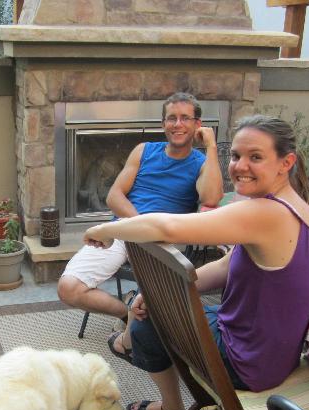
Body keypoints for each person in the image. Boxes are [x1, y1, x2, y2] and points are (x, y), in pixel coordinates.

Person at [83, 115, 309, 410]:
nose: (240, 166)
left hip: (246, 362)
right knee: (153, 304)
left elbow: (168, 227)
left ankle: (168, 405)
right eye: (236, 156)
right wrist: (164, 293)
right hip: (271, 355)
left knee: (146, 321)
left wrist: (106, 229)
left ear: (286, 162)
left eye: (256, 157)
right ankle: (128, 341)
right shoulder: (299, 206)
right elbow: (226, 264)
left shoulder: (268, 213)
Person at [57, 92, 223, 343]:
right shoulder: (143, 150)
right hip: (123, 231)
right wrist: (141, 226)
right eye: (171, 118)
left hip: (164, 242)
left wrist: (211, 146)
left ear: (197, 124)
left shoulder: (201, 163)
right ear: (163, 123)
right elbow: (114, 197)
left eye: (185, 118)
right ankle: (126, 313)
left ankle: (136, 325)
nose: (177, 124)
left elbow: (211, 197)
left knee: (160, 322)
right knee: (68, 289)